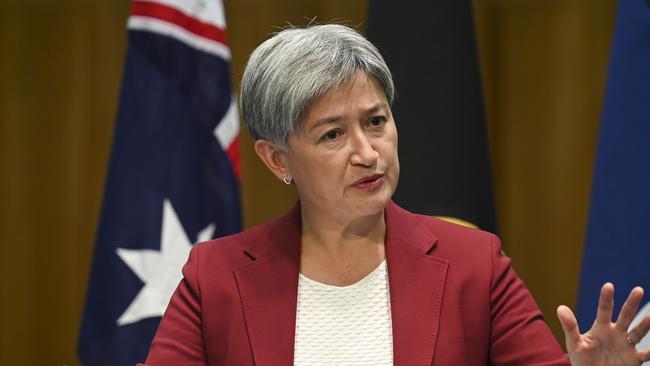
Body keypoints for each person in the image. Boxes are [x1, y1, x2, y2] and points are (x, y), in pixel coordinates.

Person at [139, 24, 650, 365]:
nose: (367, 152)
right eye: (332, 134)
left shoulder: (475, 265)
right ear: (277, 159)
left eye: (376, 121)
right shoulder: (217, 278)